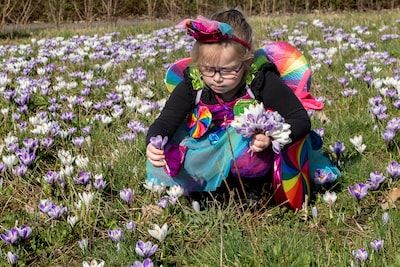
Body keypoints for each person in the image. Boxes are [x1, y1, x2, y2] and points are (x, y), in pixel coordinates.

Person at [145, 9, 337, 208]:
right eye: (208, 69)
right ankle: (203, 191)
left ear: (245, 61)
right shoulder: (193, 82)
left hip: (253, 149)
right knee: (172, 149)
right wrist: (153, 141)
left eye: (228, 70)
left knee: (249, 157)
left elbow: (300, 119)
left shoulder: (261, 81)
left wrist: (272, 137)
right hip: (207, 144)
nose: (217, 78)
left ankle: (253, 191)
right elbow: (166, 120)